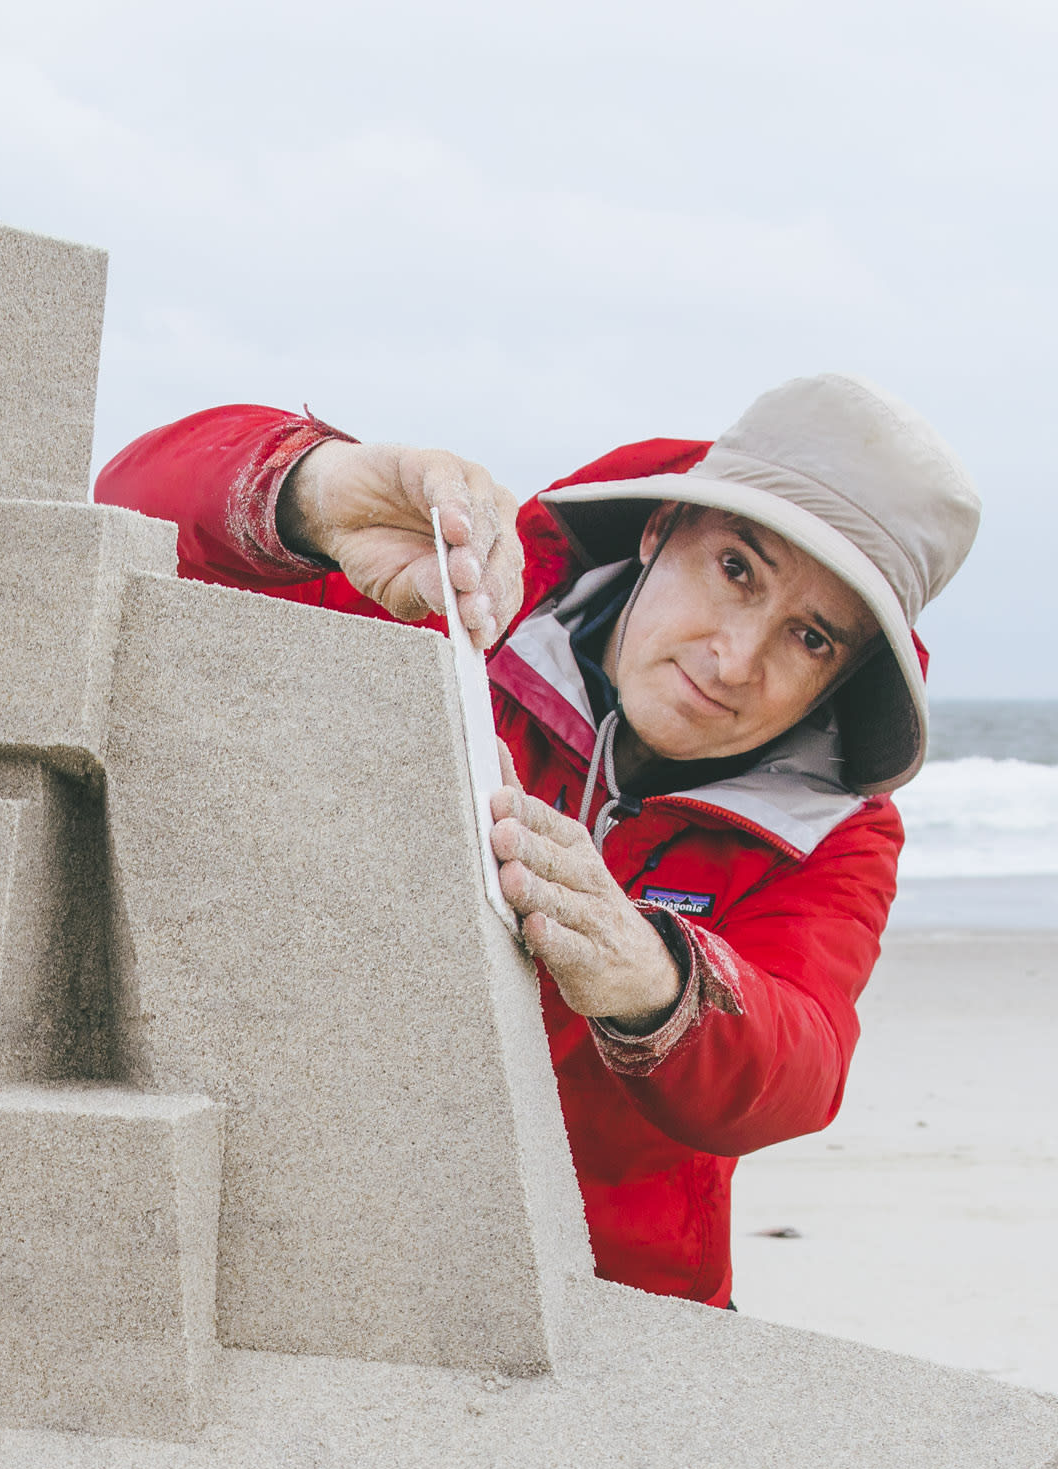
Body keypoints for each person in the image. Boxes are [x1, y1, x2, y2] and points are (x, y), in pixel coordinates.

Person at [95, 378, 980, 1311]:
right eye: (735, 570)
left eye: (808, 638)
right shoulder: (445, 611)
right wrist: (316, 488)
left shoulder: (837, 831)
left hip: (620, 1303)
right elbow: (123, 518)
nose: (734, 660)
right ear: (660, 527)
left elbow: (800, 1069)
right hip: (315, 1243)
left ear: (846, 676)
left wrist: (659, 983)